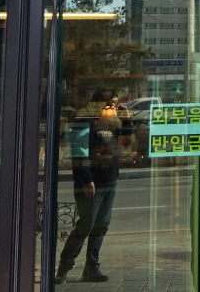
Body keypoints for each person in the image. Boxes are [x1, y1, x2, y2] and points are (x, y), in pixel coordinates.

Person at [56, 89, 130, 284]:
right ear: (98, 104)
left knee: (101, 226)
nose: (114, 107)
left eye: (116, 104)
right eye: (111, 103)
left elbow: (126, 140)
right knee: (86, 225)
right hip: (92, 183)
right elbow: (78, 152)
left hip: (109, 181)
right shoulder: (85, 122)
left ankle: (92, 267)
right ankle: (64, 267)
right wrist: (86, 179)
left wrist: (127, 119)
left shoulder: (112, 123)